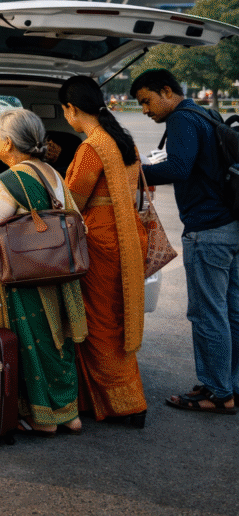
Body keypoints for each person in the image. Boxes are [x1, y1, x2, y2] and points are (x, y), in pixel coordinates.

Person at [0, 109, 88, 437]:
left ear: (10, 143)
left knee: (30, 341)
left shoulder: (11, 180)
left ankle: (43, 419)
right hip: (57, 270)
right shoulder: (52, 173)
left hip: (26, 276)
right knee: (57, 341)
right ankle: (68, 414)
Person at [131, 68, 238, 415]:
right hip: (232, 224)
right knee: (232, 312)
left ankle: (217, 392)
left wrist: (134, 174)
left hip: (207, 230)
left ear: (166, 91)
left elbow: (177, 168)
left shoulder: (181, 120)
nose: (146, 110)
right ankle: (231, 385)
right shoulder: (207, 113)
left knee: (208, 313)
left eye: (147, 101)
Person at [60, 76, 149, 428]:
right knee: (117, 318)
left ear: (71, 109)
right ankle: (118, 398)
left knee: (99, 324)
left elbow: (74, 201)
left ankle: (123, 404)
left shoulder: (91, 147)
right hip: (126, 237)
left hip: (101, 242)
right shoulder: (123, 141)